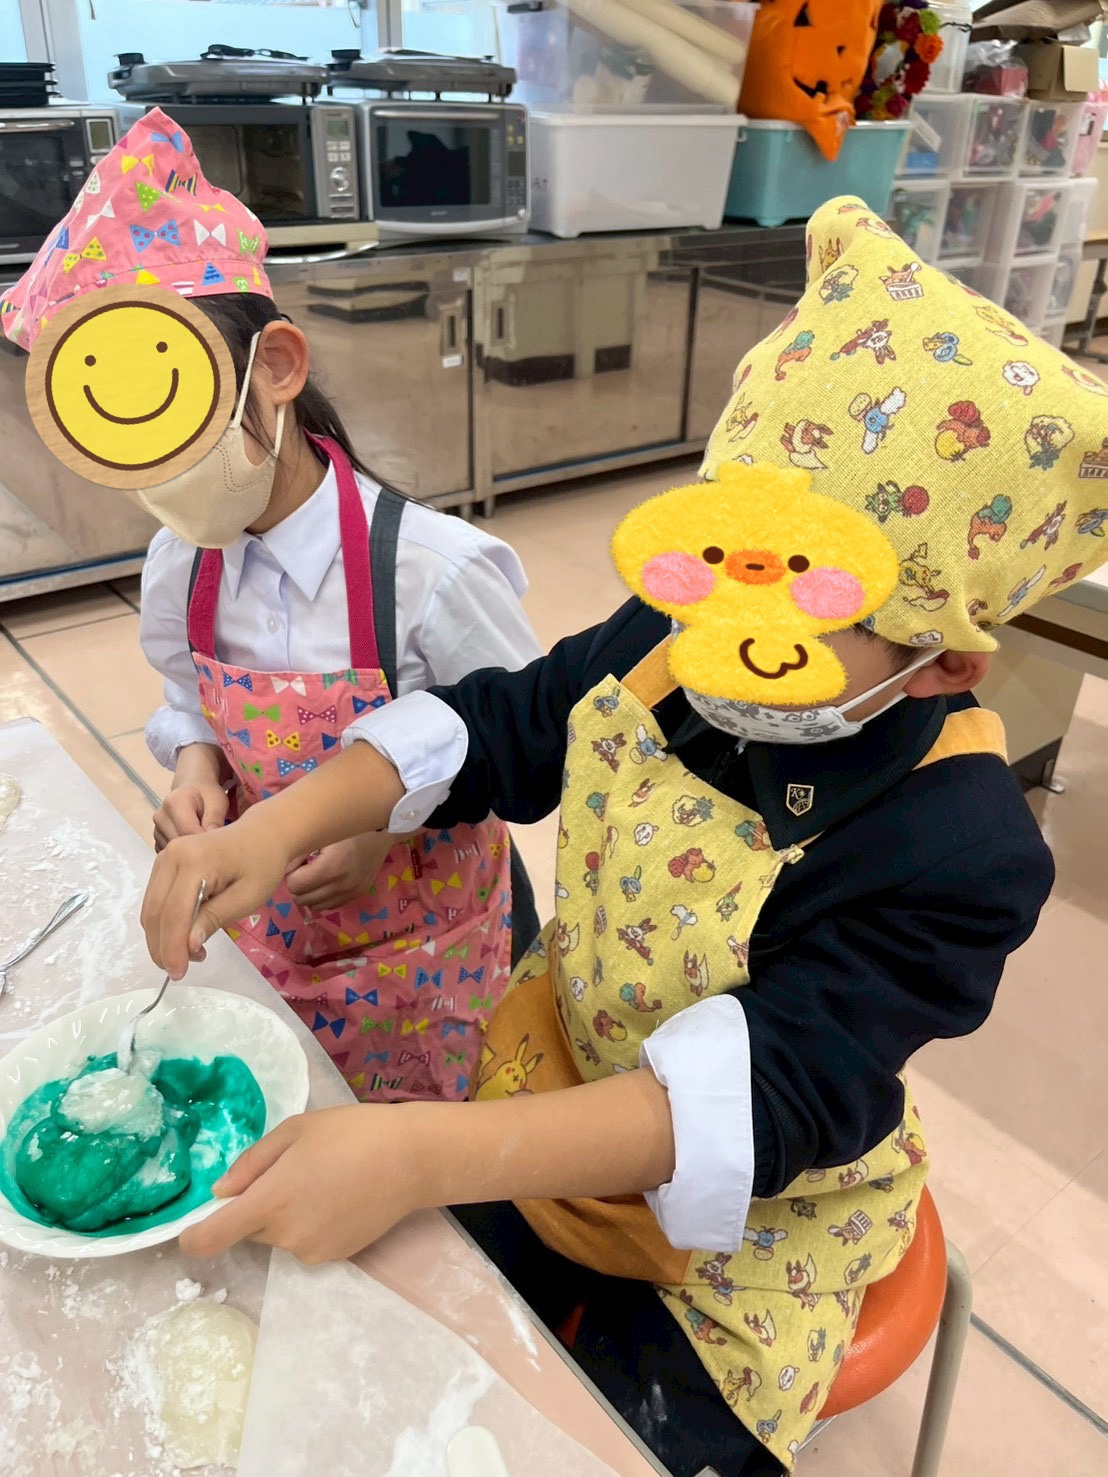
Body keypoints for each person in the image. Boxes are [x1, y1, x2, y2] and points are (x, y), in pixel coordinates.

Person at [141, 194, 1108, 1476]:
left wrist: (418, 1151)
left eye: (802, 600)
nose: (723, 625)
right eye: (722, 560)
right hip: (558, 1078)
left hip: (747, 1226)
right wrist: (279, 824)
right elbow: (500, 721)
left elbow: (767, 1090)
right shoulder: (669, 640)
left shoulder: (961, 846)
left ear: (942, 662)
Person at [0, 110, 543, 1105]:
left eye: (179, 419)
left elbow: (522, 741)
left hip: (427, 952)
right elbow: (189, 699)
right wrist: (197, 766)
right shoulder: (182, 563)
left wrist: (385, 827)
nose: (163, 480)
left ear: (278, 367)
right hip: (280, 934)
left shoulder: (433, 572)